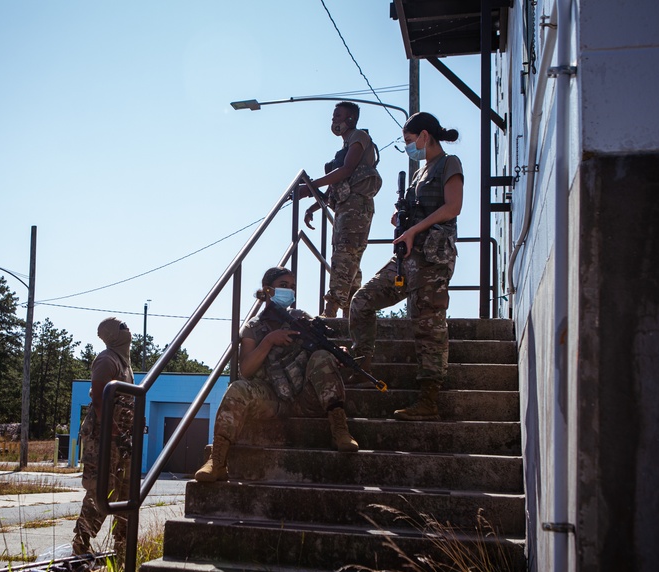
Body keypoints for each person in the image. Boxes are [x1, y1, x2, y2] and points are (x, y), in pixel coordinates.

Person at [347, 112, 463, 421]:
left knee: (427, 324)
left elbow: (453, 207)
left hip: (433, 257)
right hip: (407, 258)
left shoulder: (449, 164)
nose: (409, 147)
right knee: (362, 301)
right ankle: (362, 365)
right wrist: (402, 221)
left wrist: (414, 229)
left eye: (410, 141)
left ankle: (428, 399)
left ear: (425, 136)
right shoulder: (419, 173)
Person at [195, 267, 359, 483]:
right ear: (268, 290)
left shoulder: (300, 318)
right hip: (273, 400)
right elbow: (246, 369)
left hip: (305, 397)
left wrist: (336, 353)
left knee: (322, 356)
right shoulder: (253, 327)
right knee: (237, 388)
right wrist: (269, 340)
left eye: (292, 287)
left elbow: (322, 344)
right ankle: (217, 461)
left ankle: (340, 429)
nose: (289, 291)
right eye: (284, 286)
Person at [295, 102, 382, 319]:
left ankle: (331, 310)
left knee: (345, 256)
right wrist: (315, 204)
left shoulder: (359, 137)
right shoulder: (344, 146)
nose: (334, 120)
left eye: (338, 115)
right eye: (333, 116)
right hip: (345, 207)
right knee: (349, 259)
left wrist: (311, 187)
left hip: (356, 208)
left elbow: (347, 170)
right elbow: (338, 185)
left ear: (350, 118)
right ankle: (352, 313)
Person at [72, 317, 135, 557]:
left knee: (127, 491)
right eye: (122, 327)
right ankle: (81, 541)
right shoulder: (106, 359)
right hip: (104, 438)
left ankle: (122, 546)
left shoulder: (123, 362)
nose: (127, 329)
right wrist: (115, 431)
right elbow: (99, 398)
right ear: (111, 334)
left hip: (122, 439)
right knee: (102, 489)